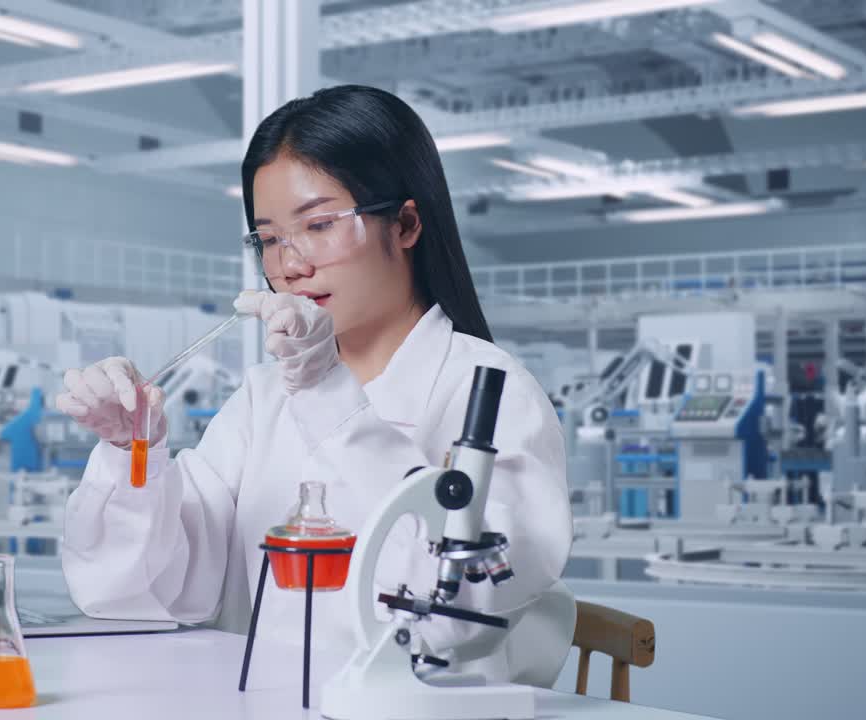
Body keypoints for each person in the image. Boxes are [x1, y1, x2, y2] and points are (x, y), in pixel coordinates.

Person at [57, 84, 573, 685]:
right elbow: (147, 593)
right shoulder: (262, 397)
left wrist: (328, 391)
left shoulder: (490, 389)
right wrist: (134, 453)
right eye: (269, 238)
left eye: (319, 224)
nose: (289, 265)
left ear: (405, 224)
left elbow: (460, 614)